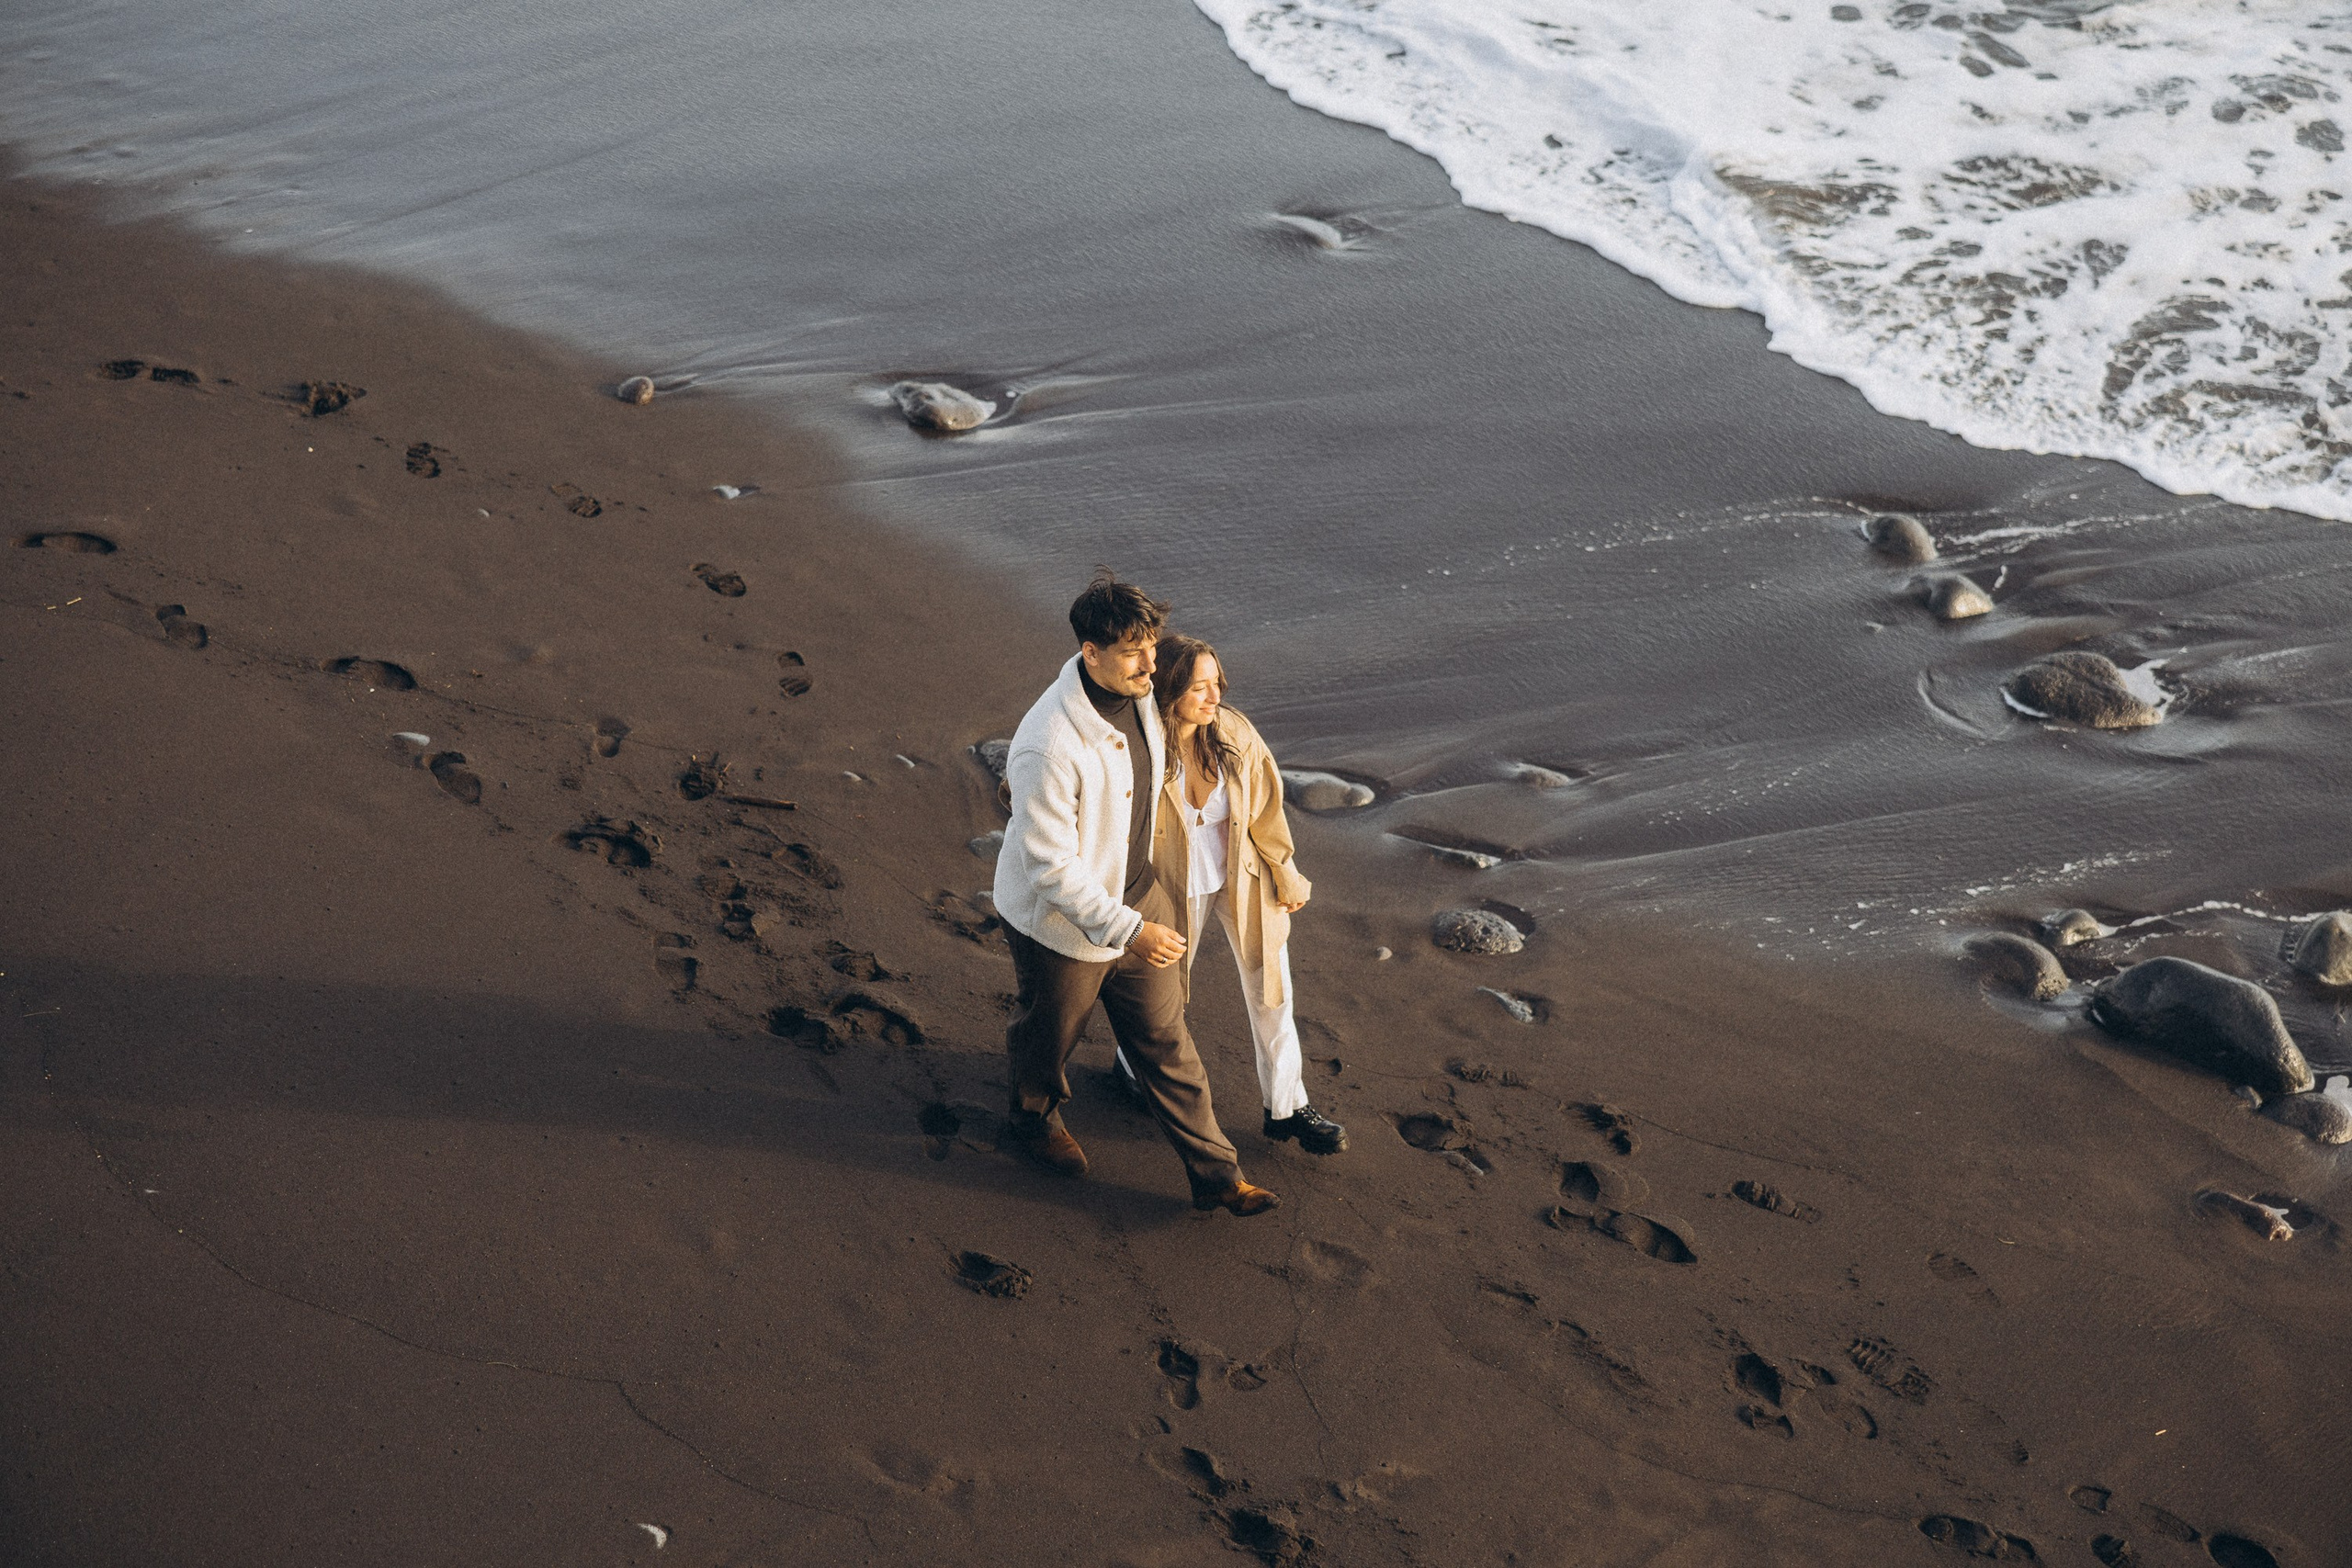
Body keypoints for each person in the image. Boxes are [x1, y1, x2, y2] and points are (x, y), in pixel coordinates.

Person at [992, 572, 1280, 1216]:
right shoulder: (1049, 741)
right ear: (1090, 652)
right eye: (1132, 651)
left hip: (1139, 896)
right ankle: (1033, 1119)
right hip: (1060, 925)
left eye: (1152, 645)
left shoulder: (1145, 691)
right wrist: (1130, 930)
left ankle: (1218, 1176)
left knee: (1166, 1038)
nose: (1152, 664)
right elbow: (1049, 867)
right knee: (1049, 1032)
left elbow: (1191, 714)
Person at [1118, 635, 1347, 1156]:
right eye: (1198, 687)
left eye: (1216, 683)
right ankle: (1129, 1066)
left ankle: (1288, 1107)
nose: (1213, 696)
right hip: (1167, 889)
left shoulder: (1235, 733)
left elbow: (1267, 810)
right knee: (1163, 994)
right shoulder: (1138, 742)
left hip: (1242, 879)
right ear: (1168, 688)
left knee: (1274, 991)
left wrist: (1285, 873)